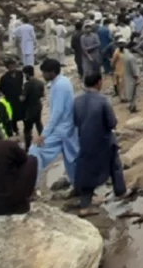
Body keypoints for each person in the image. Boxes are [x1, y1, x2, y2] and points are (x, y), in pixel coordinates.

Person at [72, 73, 126, 217]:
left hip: (85, 141)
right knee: (115, 165)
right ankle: (120, 192)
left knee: (87, 171)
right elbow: (112, 123)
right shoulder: (103, 101)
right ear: (98, 82)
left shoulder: (77, 101)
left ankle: (84, 200)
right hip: (103, 140)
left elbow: (76, 122)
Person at [27, 59, 79, 184]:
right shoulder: (62, 82)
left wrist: (43, 135)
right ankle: (77, 185)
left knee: (35, 151)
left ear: (52, 72)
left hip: (62, 128)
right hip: (67, 127)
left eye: (45, 72)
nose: (43, 75)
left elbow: (57, 113)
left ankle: (33, 186)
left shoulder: (60, 85)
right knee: (71, 158)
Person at [19, 65, 44, 150]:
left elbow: (23, 98)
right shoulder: (40, 83)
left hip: (29, 109)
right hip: (38, 106)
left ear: (27, 74)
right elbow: (42, 95)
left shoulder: (27, 85)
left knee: (27, 129)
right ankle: (44, 141)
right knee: (39, 124)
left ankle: (28, 146)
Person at [0, 58, 25, 126]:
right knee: (12, 115)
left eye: (14, 65)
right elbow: (1, 88)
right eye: (10, 66)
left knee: (23, 114)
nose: (12, 68)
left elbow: (22, 84)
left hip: (19, 97)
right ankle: (15, 129)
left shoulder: (20, 74)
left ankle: (27, 130)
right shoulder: (4, 78)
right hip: (10, 98)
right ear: (7, 67)